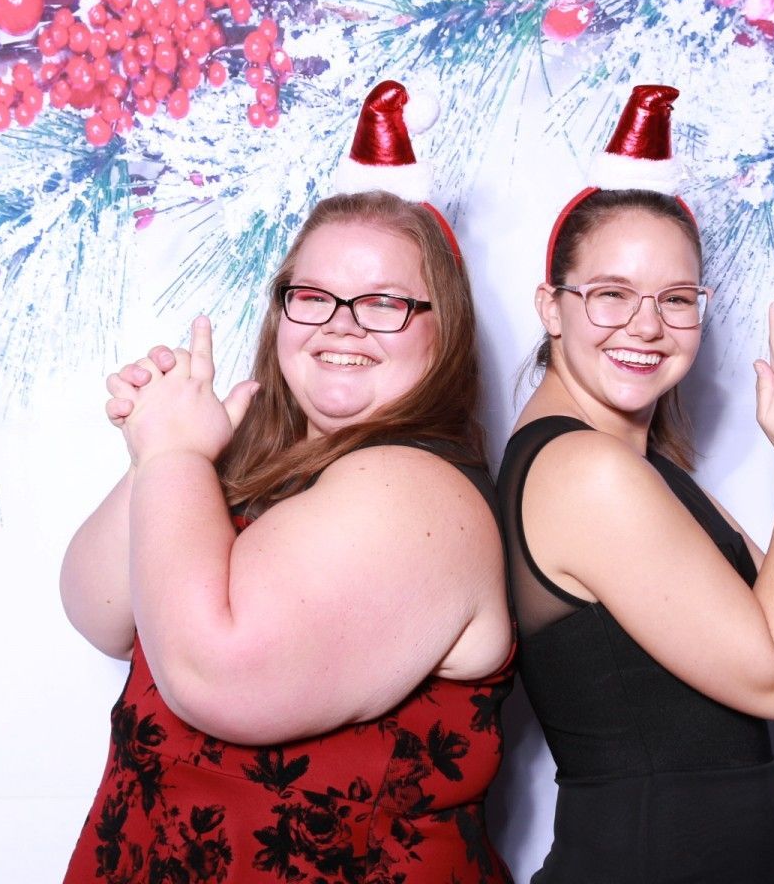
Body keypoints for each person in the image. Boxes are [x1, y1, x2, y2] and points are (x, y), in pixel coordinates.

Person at [59, 82, 515, 884]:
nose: (341, 322)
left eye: (383, 302)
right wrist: (167, 450)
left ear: (444, 331)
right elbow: (98, 611)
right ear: (281, 315)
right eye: (313, 297)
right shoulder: (252, 458)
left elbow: (212, 672)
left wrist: (173, 462)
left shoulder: (413, 491)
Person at [497, 85, 774, 883]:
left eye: (677, 299)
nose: (648, 325)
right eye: (611, 295)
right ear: (550, 308)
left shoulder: (635, 467)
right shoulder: (587, 474)